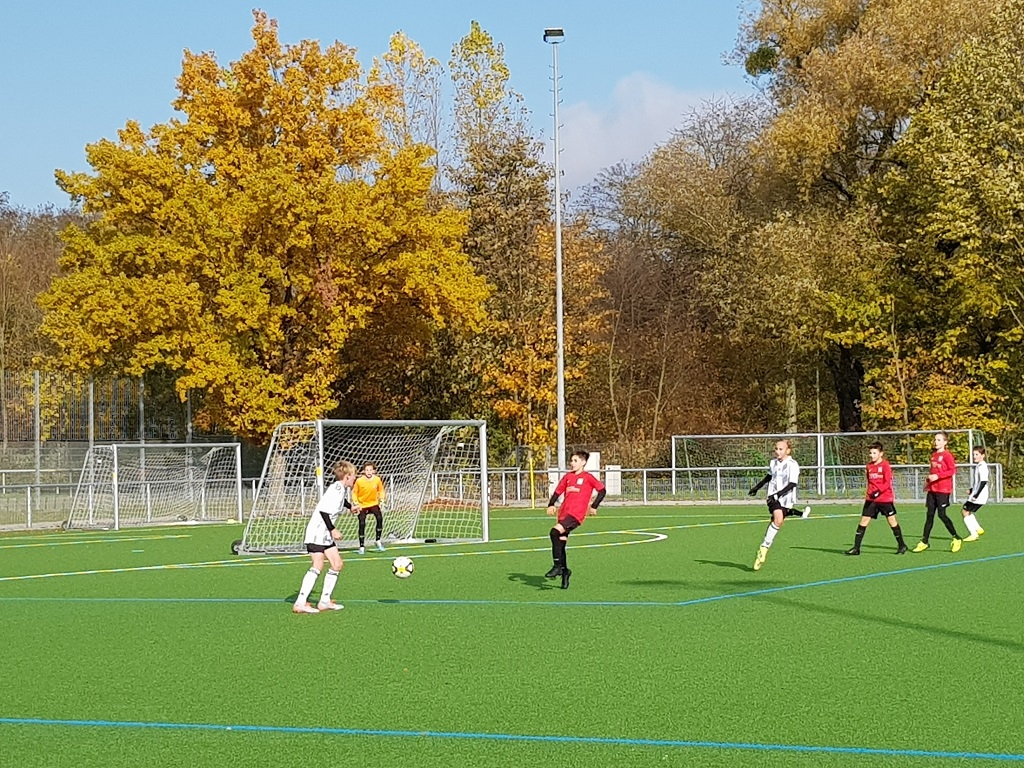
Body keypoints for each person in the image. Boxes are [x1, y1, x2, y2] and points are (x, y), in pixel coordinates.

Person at [292, 460, 358, 614]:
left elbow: (340, 502)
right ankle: (300, 602)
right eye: (354, 475)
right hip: (317, 532)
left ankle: (324, 601)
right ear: (347, 476)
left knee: (337, 564)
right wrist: (333, 529)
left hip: (324, 533)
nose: (355, 478)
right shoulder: (336, 489)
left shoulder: (340, 489)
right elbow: (323, 510)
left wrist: (350, 507)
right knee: (318, 565)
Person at [545, 450, 606, 589]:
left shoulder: (588, 477)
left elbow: (602, 491)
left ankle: (557, 566)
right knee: (560, 544)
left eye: (575, 461)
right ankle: (565, 572)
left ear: (583, 462)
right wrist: (551, 504)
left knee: (554, 532)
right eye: (571, 461)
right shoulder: (568, 477)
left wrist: (594, 506)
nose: (572, 463)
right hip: (563, 514)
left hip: (575, 515)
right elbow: (558, 491)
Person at [749, 439, 809, 571]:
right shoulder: (773, 463)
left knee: (778, 522)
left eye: (781, 449)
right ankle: (764, 549)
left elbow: (792, 483)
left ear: (788, 451)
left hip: (786, 498)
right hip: (773, 496)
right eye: (776, 449)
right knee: (778, 519)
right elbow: (769, 477)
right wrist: (756, 487)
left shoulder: (793, 464)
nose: (777, 451)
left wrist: (779, 494)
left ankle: (764, 546)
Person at [844, 442, 908, 555]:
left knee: (892, 521)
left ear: (881, 454)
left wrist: (878, 491)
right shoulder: (869, 466)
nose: (872, 455)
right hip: (871, 499)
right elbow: (869, 481)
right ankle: (856, 548)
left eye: (874, 453)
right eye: (871, 453)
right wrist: (870, 493)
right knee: (863, 521)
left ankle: (902, 545)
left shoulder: (885, 465)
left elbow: (887, 482)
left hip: (884, 499)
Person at [912, 432, 963, 553]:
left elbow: (952, 470)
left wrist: (938, 476)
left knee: (941, 514)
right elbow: (933, 472)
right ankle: (924, 541)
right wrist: (928, 482)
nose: (936, 442)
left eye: (939, 440)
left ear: (945, 442)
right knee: (929, 515)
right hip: (932, 490)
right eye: (935, 440)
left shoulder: (947, 455)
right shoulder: (934, 455)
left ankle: (956, 538)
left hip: (943, 490)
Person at [353, 462, 387, 554]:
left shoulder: (377, 480)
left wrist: (382, 500)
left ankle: (378, 540)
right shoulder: (359, 481)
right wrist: (356, 503)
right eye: (367, 470)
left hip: (373, 503)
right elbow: (354, 492)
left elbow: (381, 490)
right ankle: (361, 546)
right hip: (362, 505)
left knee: (379, 518)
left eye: (370, 470)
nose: (369, 472)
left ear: (374, 471)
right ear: (364, 471)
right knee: (362, 523)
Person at [961, 446, 989, 542]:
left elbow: (984, 481)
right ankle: (978, 529)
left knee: (965, 511)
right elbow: (979, 482)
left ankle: (974, 534)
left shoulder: (982, 466)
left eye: (977, 454)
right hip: (977, 494)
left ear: (983, 455)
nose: (974, 456)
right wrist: (972, 490)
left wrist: (976, 494)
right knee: (967, 511)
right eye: (974, 454)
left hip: (979, 495)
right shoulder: (979, 465)